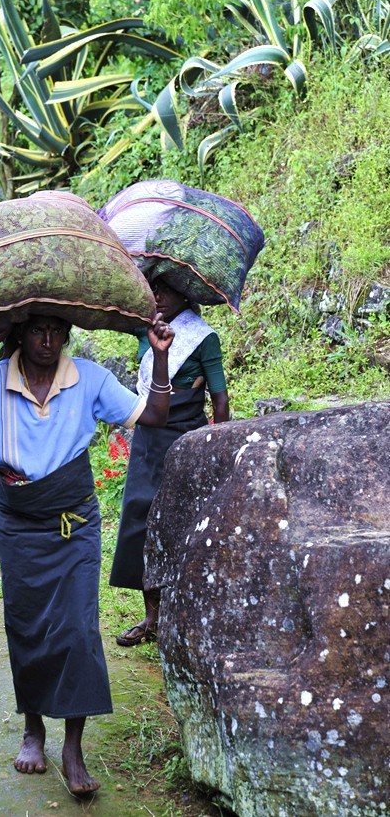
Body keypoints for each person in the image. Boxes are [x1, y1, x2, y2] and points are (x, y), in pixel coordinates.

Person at [0, 311, 174, 795]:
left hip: (75, 524)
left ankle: (73, 748)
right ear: (20, 334)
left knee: (77, 629)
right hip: (19, 524)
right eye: (36, 330)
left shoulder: (89, 379)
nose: (47, 341)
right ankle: (33, 730)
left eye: (56, 331)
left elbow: (154, 416)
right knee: (26, 625)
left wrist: (159, 355)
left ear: (67, 335)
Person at [110, 277, 230, 646]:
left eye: (166, 290)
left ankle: (186, 614)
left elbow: (219, 399)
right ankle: (152, 617)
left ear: (186, 294)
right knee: (140, 520)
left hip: (185, 439)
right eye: (154, 288)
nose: (158, 296)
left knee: (183, 524)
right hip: (148, 437)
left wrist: (217, 450)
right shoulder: (145, 329)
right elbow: (113, 314)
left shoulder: (202, 338)